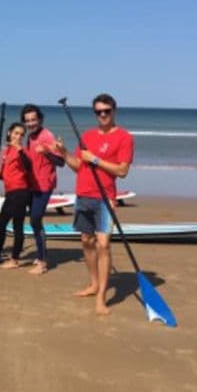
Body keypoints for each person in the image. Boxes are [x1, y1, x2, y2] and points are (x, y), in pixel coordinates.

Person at [55, 93, 134, 316]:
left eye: (106, 111)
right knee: (86, 240)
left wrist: (96, 160)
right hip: (83, 195)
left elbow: (122, 171)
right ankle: (93, 284)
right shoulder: (88, 136)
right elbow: (78, 165)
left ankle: (101, 297)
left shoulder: (124, 137)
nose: (103, 115)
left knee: (103, 244)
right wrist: (64, 153)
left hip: (105, 198)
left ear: (114, 111)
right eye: (98, 111)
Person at [21, 104, 65, 275]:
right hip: (32, 184)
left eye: (34, 119)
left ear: (40, 119)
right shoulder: (30, 137)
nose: (31, 123)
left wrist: (47, 152)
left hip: (44, 184)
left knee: (35, 220)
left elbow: (60, 162)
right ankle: (41, 254)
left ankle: (43, 262)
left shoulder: (47, 136)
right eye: (28, 121)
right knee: (35, 221)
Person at [0, 123, 34, 269]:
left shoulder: (22, 151)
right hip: (10, 192)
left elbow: (28, 167)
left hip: (21, 192)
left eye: (22, 135)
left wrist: (20, 150)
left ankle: (15, 259)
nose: (19, 137)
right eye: (16, 133)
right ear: (9, 133)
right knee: (1, 224)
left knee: (17, 226)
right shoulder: (6, 151)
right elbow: (7, 174)